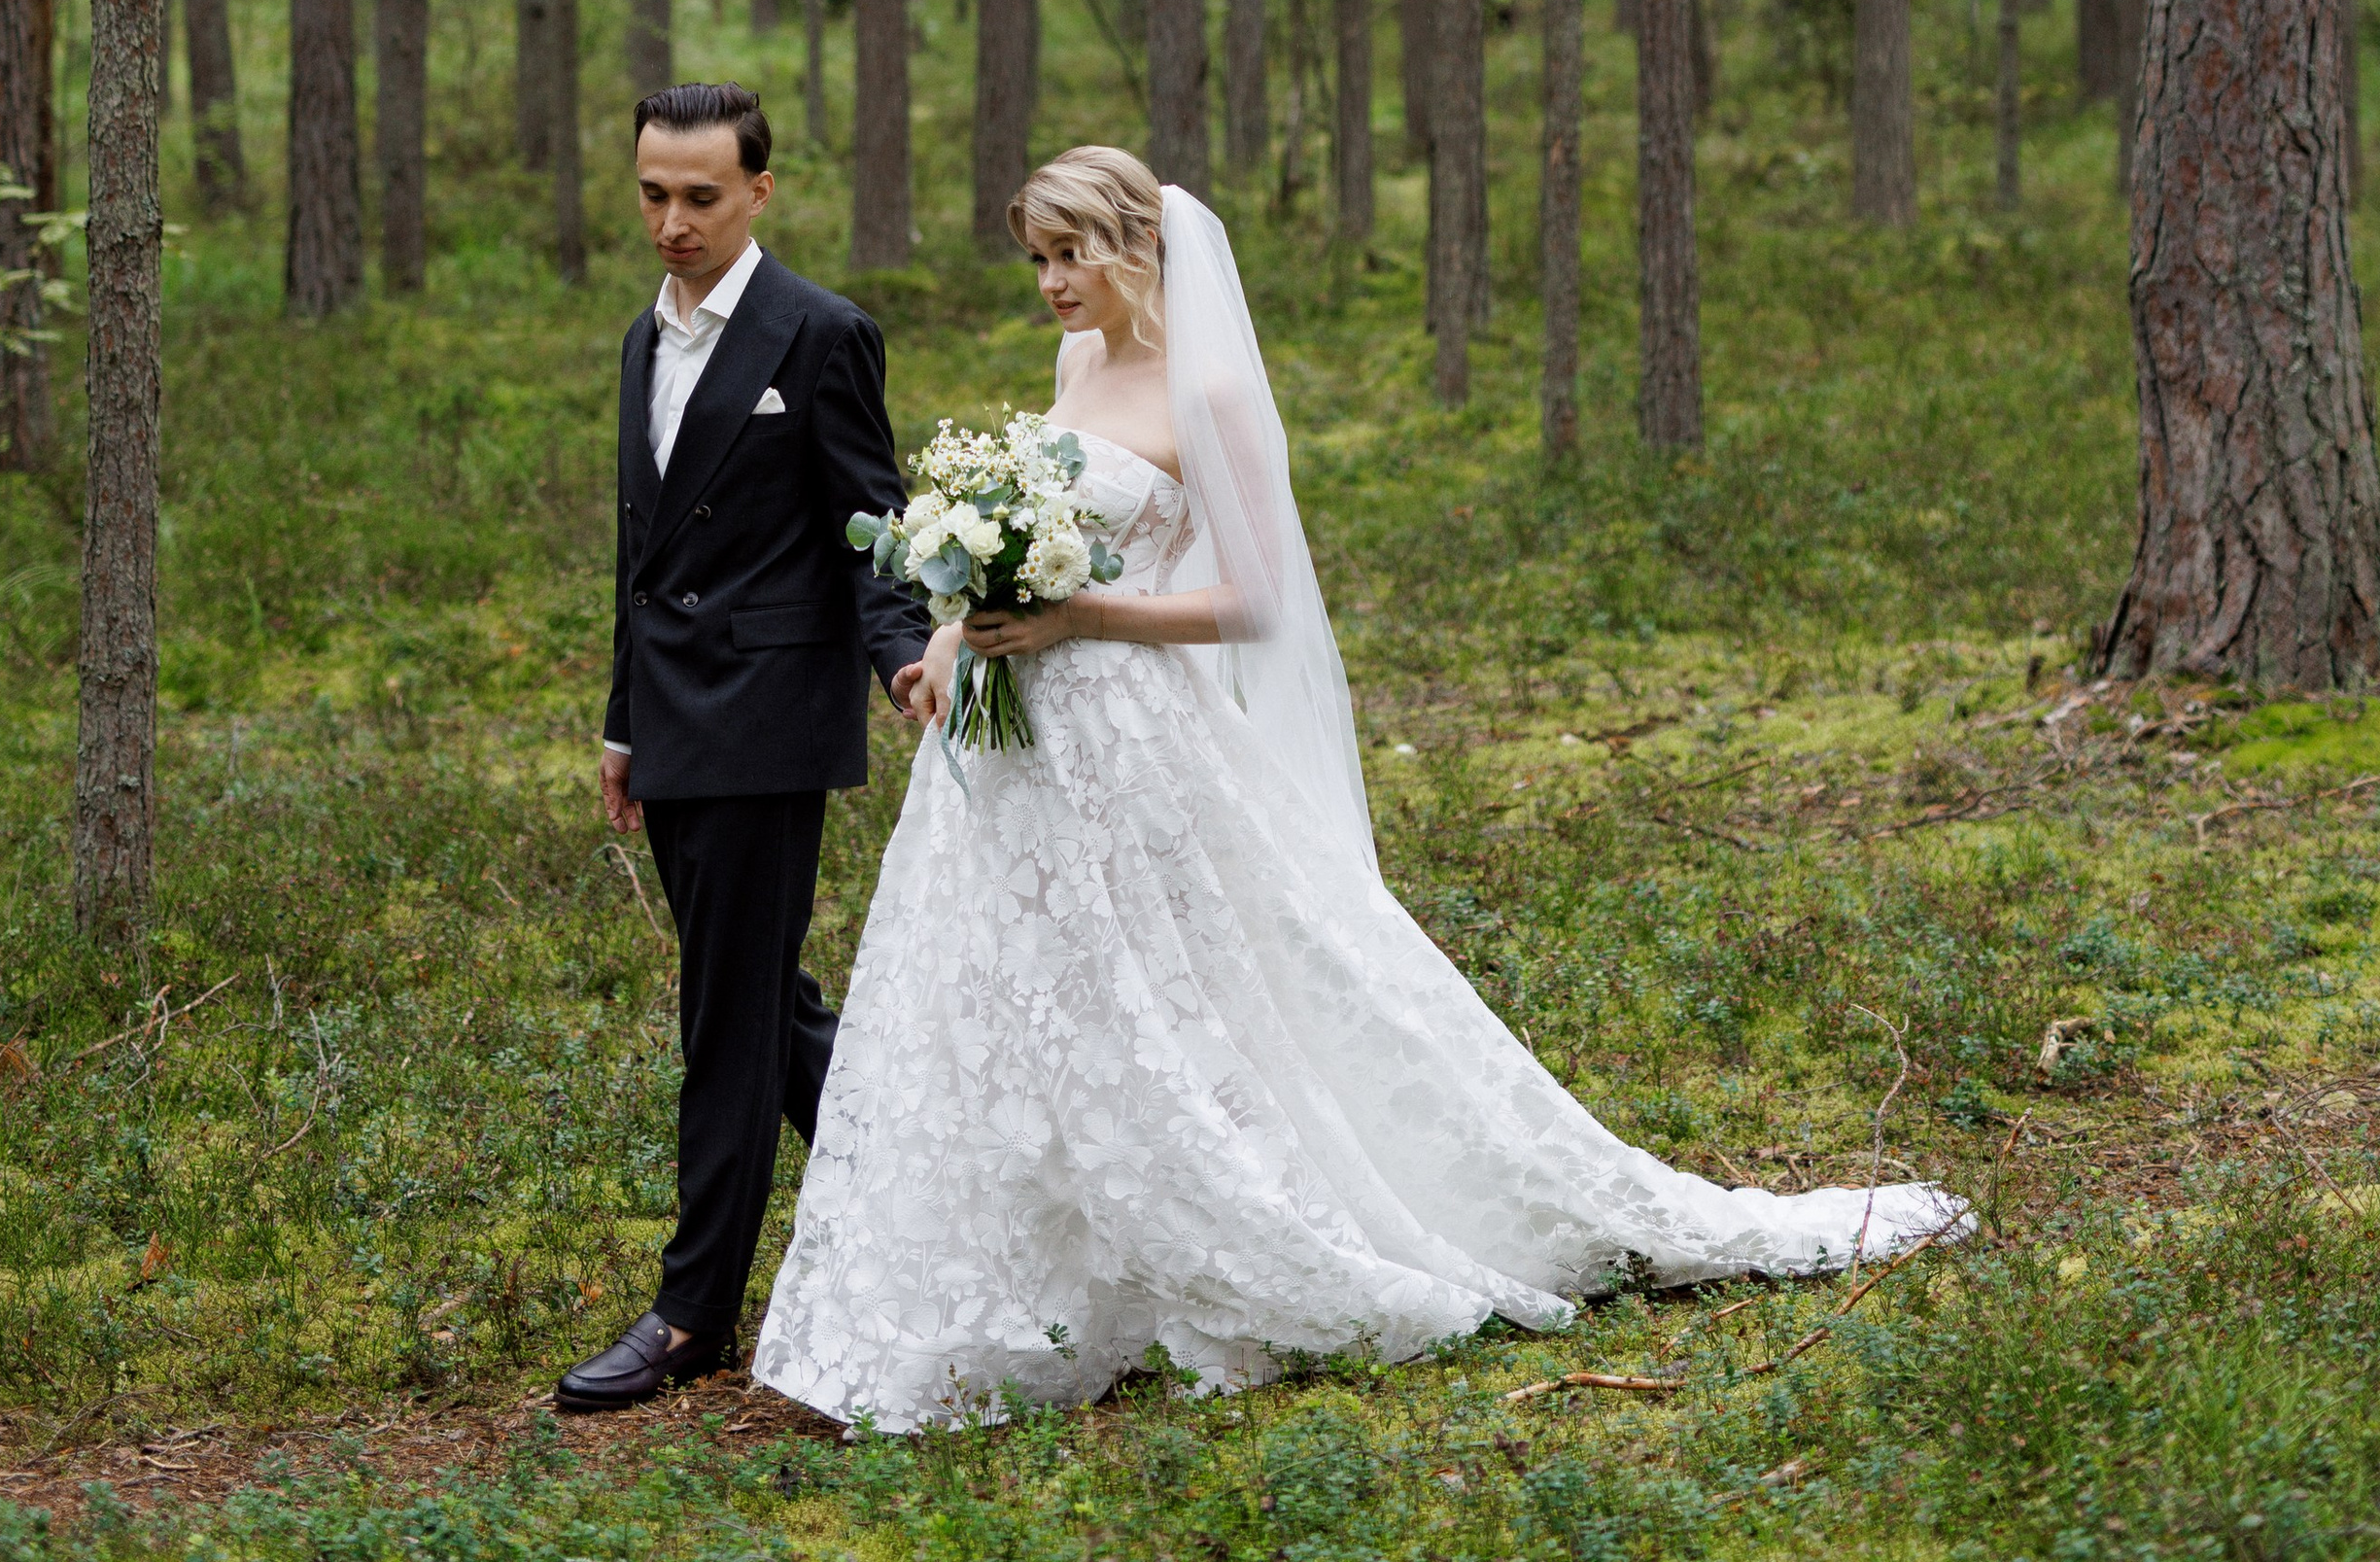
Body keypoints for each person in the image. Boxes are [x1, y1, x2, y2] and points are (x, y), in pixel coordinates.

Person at [752, 145, 1971, 1433]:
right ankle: (1023, 1279)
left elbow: (1253, 600)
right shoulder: (1073, 366)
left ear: (1137, 246)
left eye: (1072, 253)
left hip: (1133, 735)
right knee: (1007, 992)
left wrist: (1081, 614)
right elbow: (1008, 557)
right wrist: (956, 626)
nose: (1052, 283)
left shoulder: (1207, 388)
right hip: (1011, 758)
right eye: (1038, 259)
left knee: (1161, 992)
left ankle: (1232, 1227)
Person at [554, 83, 932, 1415]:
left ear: (759, 190)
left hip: (769, 720)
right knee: (763, 1001)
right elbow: (640, 556)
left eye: (701, 195)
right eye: (653, 191)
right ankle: (931, 1206)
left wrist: (904, 653)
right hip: (672, 716)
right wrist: (621, 719)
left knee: (724, 1019)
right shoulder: (638, 340)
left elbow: (871, 520)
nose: (672, 220)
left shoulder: (819, 331)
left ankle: (690, 1312)